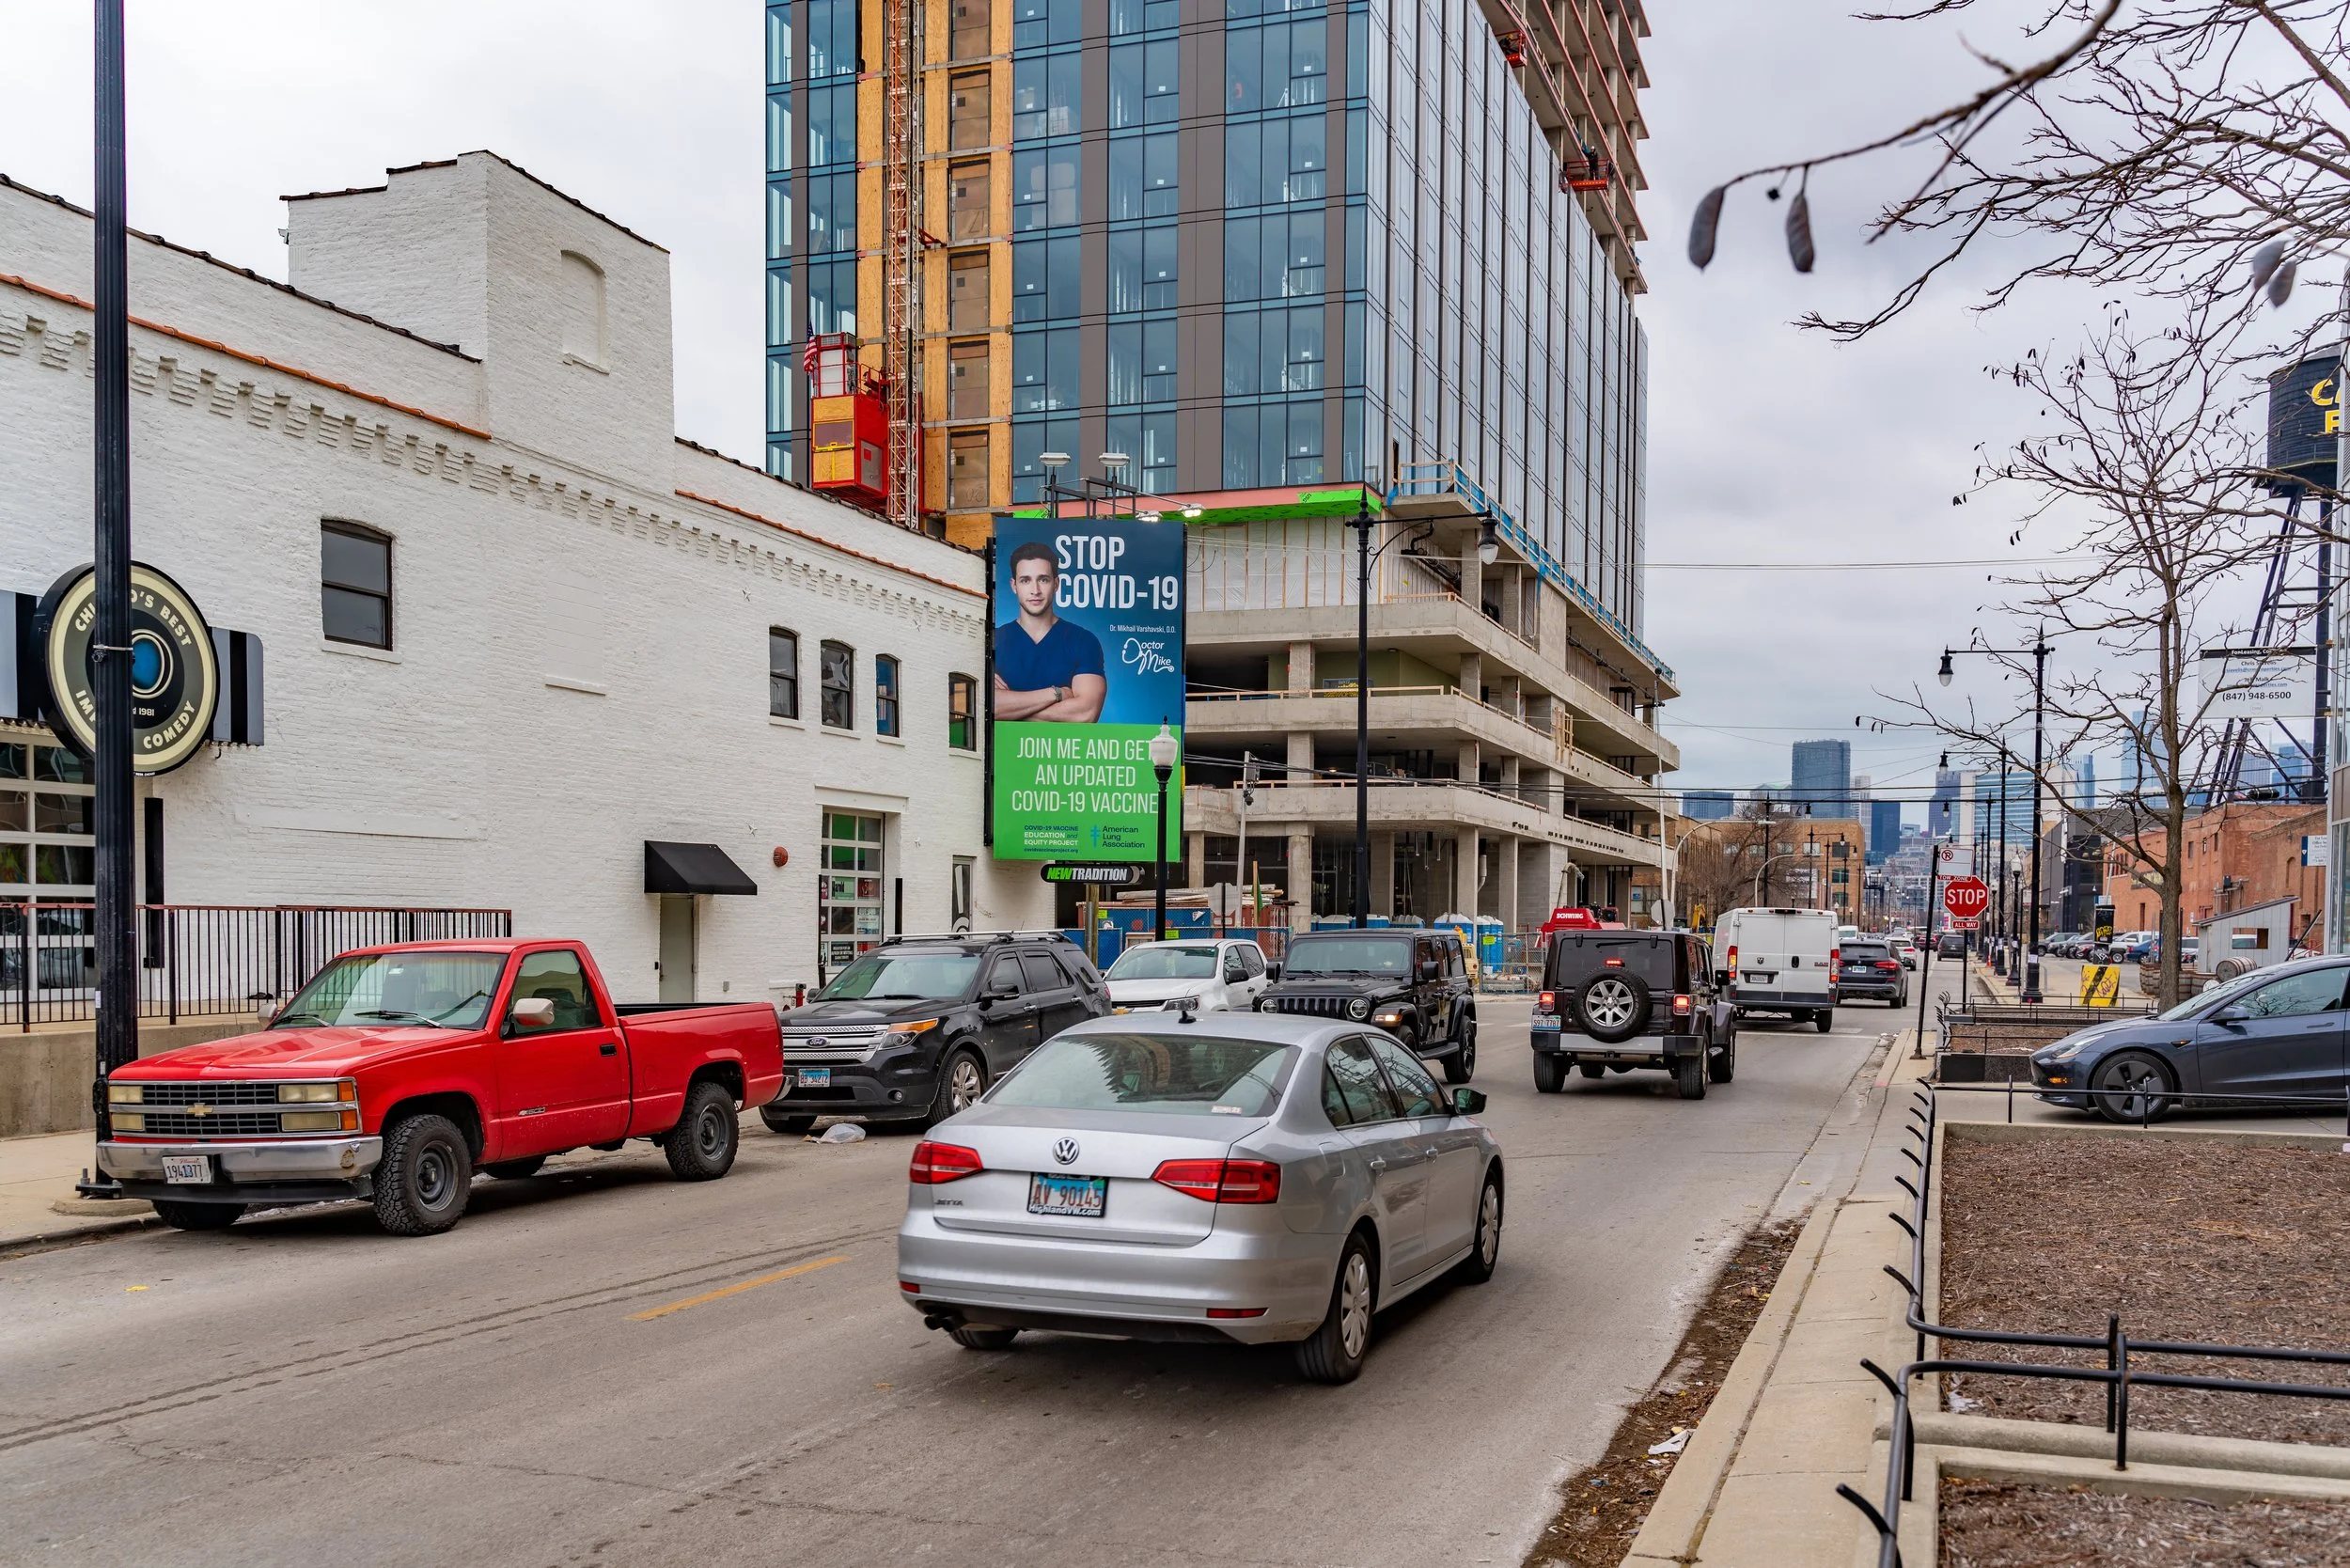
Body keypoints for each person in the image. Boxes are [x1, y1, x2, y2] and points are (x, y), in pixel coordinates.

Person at [995, 541, 1106, 722]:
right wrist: (1056, 694)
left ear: (1056, 584)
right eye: (1026, 580)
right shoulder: (993, 641)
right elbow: (983, 706)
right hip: (1002, 749)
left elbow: (1085, 714)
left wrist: (1011, 710)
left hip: (1063, 749)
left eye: (1043, 579)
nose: (1035, 590)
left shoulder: (1083, 641)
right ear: (1014, 585)